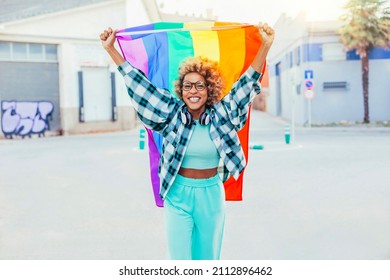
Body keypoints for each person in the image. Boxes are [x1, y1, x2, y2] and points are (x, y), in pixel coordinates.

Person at [100, 23, 274, 260]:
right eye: (188, 85)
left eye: (200, 85)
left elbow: (246, 86)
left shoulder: (222, 114)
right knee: (179, 261)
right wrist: (111, 50)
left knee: (207, 259)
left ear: (209, 89)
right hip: (177, 194)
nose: (194, 90)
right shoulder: (171, 113)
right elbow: (138, 85)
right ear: (181, 90)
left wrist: (265, 45)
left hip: (211, 194)